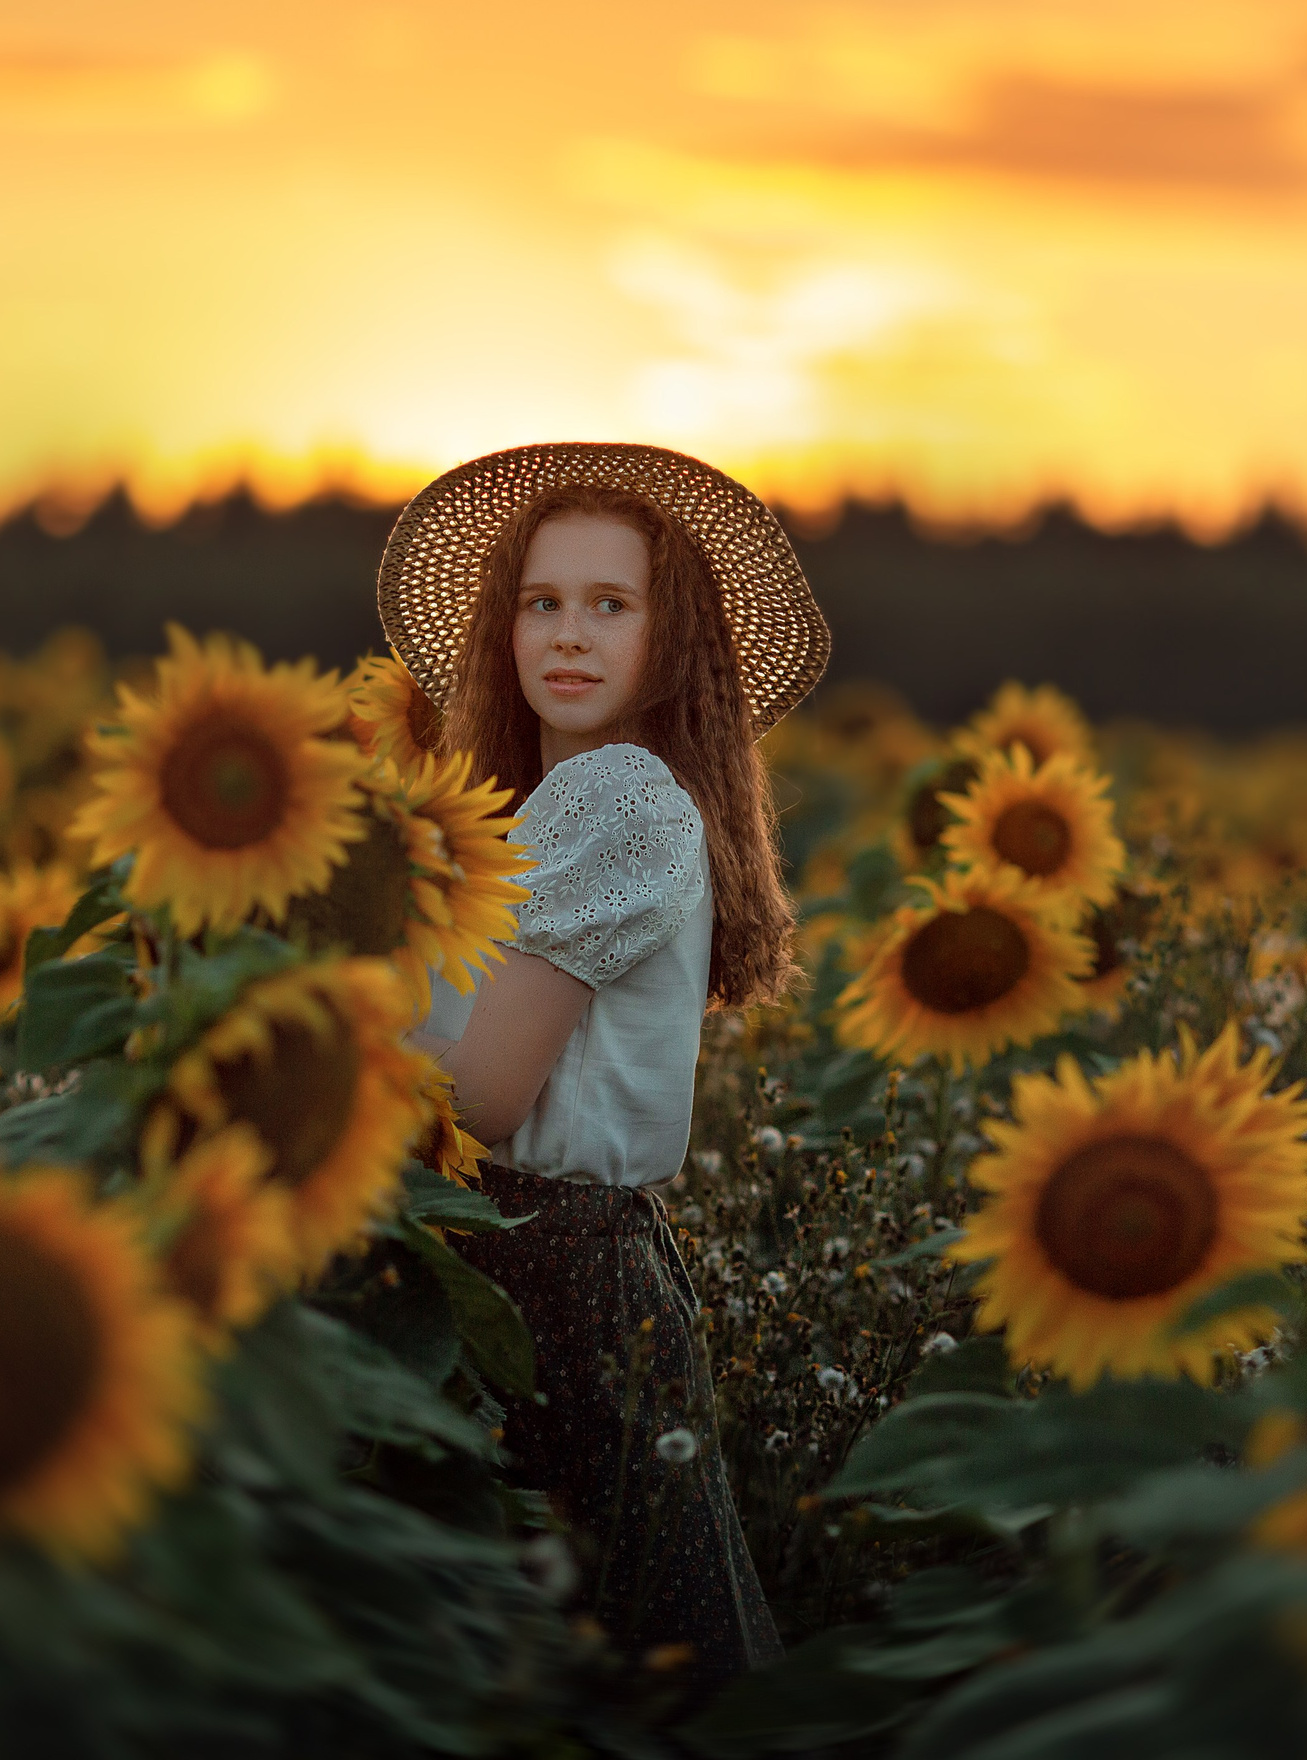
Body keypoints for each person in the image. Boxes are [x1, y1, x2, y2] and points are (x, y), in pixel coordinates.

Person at [379, 442, 830, 1693]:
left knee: (618, 1672)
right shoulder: (560, 805)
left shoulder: (617, 799)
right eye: (541, 601)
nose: (566, 634)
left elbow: (479, 1099)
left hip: (541, 1274)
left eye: (609, 604)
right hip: (563, 1263)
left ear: (669, 637)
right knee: (636, 1666)